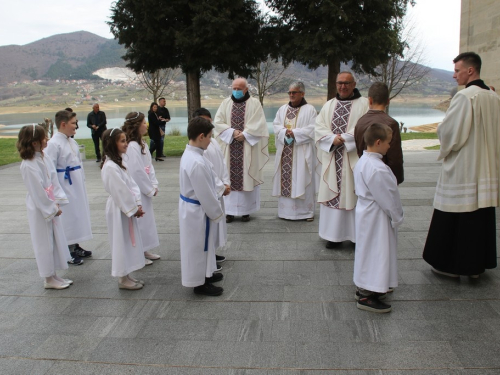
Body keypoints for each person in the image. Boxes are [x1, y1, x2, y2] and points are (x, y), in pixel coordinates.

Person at [423, 52, 500, 278]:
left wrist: (441, 131)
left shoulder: (465, 97)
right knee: (479, 217)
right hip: (486, 168)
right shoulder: (494, 97)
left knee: (456, 215)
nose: (454, 75)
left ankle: (451, 266)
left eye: (457, 71)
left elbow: (450, 133)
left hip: (465, 168)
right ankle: (476, 266)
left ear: (470, 70)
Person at [353, 123, 404, 313]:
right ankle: (368, 295)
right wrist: (397, 216)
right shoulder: (377, 168)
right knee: (377, 252)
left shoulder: (363, 161)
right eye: (388, 143)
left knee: (368, 250)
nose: (390, 146)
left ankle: (366, 286)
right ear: (378, 142)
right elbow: (389, 198)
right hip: (377, 216)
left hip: (367, 213)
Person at [315, 71, 369, 248]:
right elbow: (319, 127)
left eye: (346, 83)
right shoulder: (329, 105)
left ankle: (355, 237)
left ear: (354, 84)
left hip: (352, 158)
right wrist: (331, 139)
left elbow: (366, 126)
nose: (343, 86)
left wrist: (345, 138)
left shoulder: (363, 104)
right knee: (333, 195)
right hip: (333, 158)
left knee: (353, 194)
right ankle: (333, 236)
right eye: (340, 83)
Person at [17, 124, 74, 290]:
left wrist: (57, 200)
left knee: (53, 240)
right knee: (43, 241)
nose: (46, 140)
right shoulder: (28, 164)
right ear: (34, 142)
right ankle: (48, 278)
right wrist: (51, 208)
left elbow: (52, 178)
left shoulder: (42, 157)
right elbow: (37, 191)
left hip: (49, 201)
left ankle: (53, 273)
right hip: (40, 207)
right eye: (43, 138)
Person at [179, 116, 224, 296]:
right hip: (196, 210)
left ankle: (206, 274)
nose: (211, 140)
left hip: (194, 208)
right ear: (201, 136)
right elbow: (204, 192)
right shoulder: (196, 161)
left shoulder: (193, 154)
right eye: (210, 136)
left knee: (204, 245)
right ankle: (199, 283)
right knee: (198, 247)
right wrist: (217, 212)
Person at [214, 77, 269, 223]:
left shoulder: (255, 104)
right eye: (234, 88)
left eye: (239, 89)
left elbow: (260, 124)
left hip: (247, 148)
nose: (236, 91)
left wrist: (245, 134)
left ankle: (246, 211)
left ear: (246, 89)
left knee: (247, 176)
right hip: (229, 146)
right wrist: (232, 132)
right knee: (228, 177)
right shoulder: (225, 103)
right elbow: (218, 122)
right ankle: (229, 212)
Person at [45, 110, 93, 265]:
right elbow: (50, 169)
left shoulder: (71, 141)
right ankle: (67, 250)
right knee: (68, 216)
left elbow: (78, 162)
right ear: (63, 124)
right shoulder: (54, 144)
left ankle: (76, 244)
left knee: (77, 215)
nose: (76, 126)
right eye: (73, 123)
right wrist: (56, 193)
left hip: (76, 183)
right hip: (64, 185)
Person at [101, 128, 146, 290]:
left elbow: (131, 185)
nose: (126, 143)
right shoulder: (110, 167)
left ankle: (126, 274)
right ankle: (122, 277)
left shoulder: (120, 162)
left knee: (127, 240)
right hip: (119, 208)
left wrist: (137, 202)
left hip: (126, 206)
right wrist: (134, 209)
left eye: (126, 140)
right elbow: (120, 191)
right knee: (120, 241)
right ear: (112, 144)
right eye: (122, 141)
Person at [272, 81, 318, 221]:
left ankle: (306, 213)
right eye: (290, 92)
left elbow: (313, 128)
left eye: (294, 92)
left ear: (302, 93)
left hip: (302, 151)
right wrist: (285, 132)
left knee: (303, 178)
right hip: (285, 150)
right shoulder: (282, 109)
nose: (291, 95)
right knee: (285, 180)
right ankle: (285, 212)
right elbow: (276, 126)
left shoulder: (310, 110)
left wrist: (295, 133)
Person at [122, 112, 161, 266]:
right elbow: (136, 171)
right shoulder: (131, 146)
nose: (146, 125)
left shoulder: (142, 143)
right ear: (136, 125)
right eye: (144, 123)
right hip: (138, 189)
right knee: (139, 221)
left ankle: (145, 248)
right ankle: (138, 251)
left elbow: (148, 166)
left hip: (146, 187)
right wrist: (148, 188)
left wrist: (154, 183)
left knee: (147, 220)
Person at [193, 108, 230, 267]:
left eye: (209, 120)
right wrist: (221, 187)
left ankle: (213, 252)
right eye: (204, 120)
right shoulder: (199, 148)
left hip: (219, 187)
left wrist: (226, 182)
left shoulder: (212, 140)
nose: (209, 123)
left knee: (216, 225)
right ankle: (209, 258)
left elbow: (221, 162)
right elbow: (209, 171)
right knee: (209, 226)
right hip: (212, 189)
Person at [354, 82, 404, 184]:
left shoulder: (360, 122)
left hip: (364, 173)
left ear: (370, 100)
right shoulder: (391, 124)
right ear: (388, 101)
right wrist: (397, 179)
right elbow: (395, 158)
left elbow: (359, 151)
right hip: (383, 177)